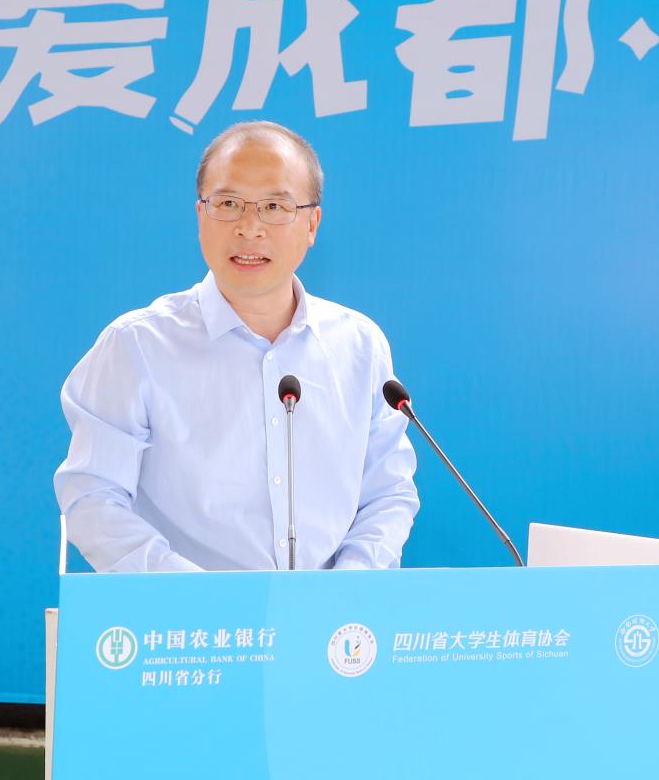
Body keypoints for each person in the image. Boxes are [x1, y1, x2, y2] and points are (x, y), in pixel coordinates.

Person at [53, 120, 419, 572]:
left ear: (312, 224)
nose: (249, 228)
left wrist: (348, 587)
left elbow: (388, 492)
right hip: (186, 614)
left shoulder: (359, 345)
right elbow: (93, 496)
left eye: (274, 206)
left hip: (333, 615)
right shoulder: (137, 347)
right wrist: (203, 599)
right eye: (228, 204)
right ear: (200, 215)